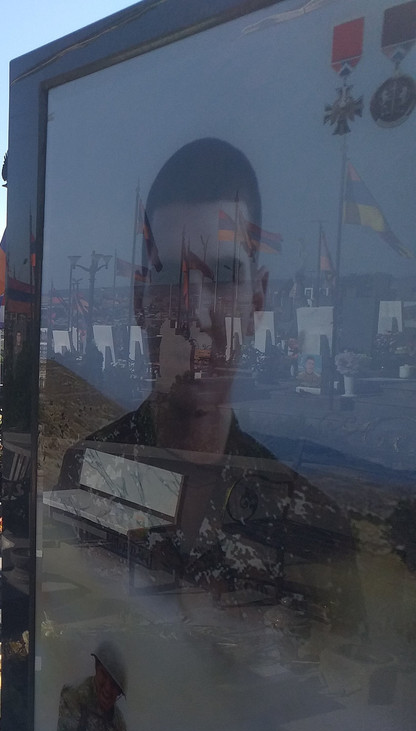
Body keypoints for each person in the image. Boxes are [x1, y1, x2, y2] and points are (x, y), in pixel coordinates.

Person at [56, 137, 365, 629]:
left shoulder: (309, 527)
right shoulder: (90, 474)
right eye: (170, 277)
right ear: (140, 299)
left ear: (257, 297)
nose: (194, 313)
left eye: (223, 275)